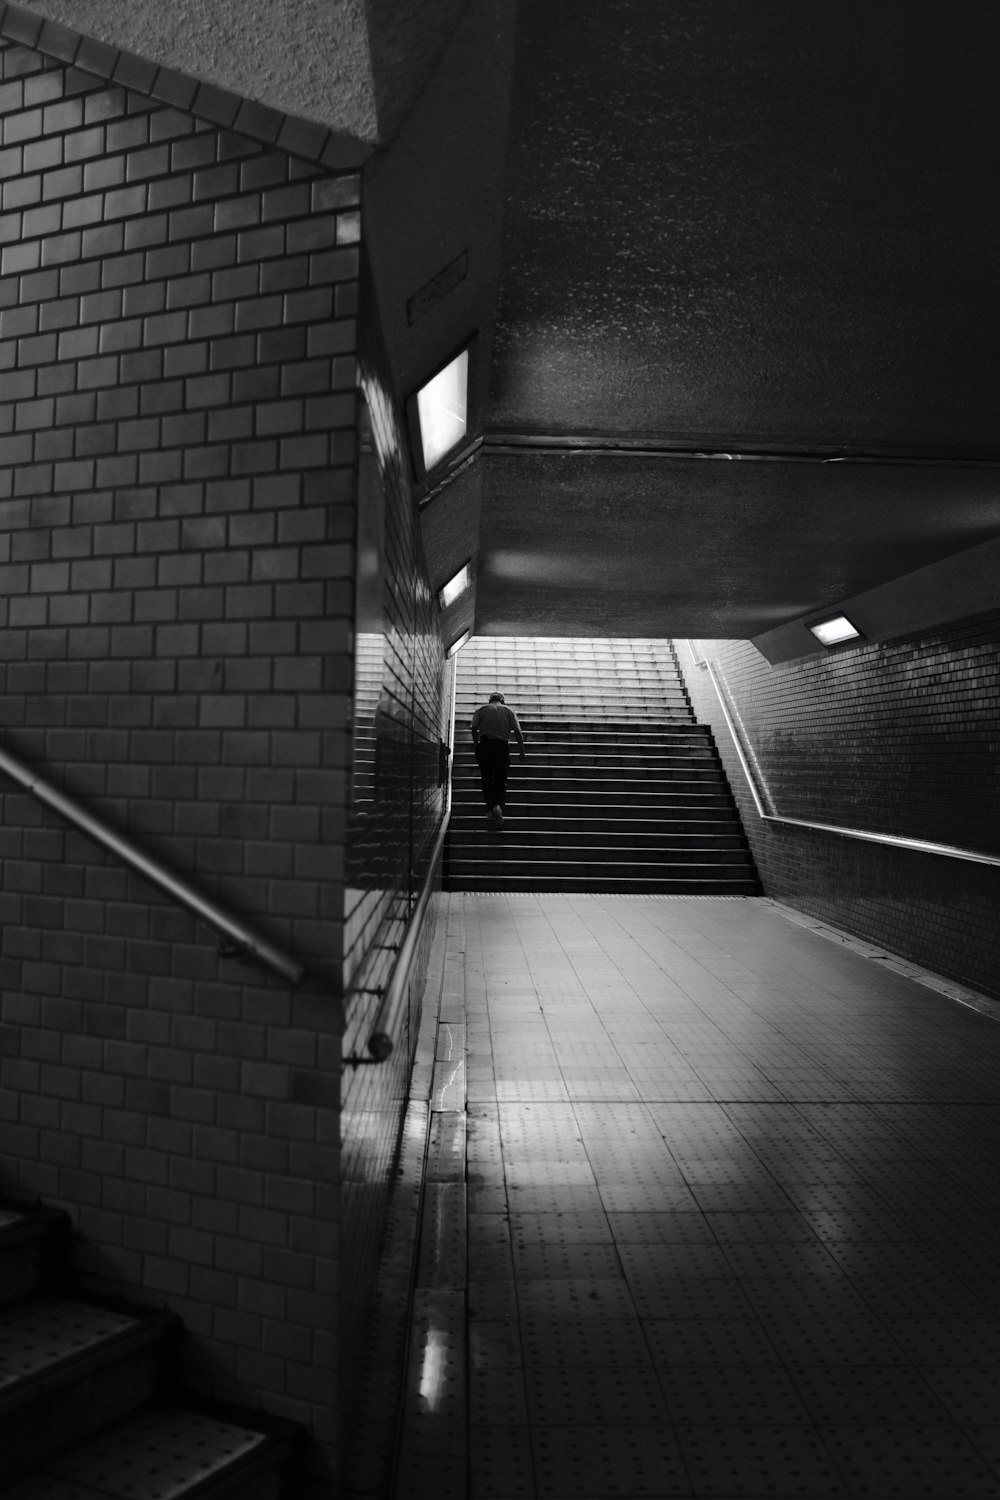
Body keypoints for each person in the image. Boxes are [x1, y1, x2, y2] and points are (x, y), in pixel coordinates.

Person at [471, 691, 525, 827]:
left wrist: (477, 745)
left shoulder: (481, 710)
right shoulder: (509, 711)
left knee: (487, 778)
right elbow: (518, 732)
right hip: (502, 747)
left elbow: (474, 728)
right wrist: (522, 751)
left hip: (485, 746)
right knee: (501, 779)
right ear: (502, 701)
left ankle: (491, 807)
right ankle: (498, 807)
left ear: (490, 700)